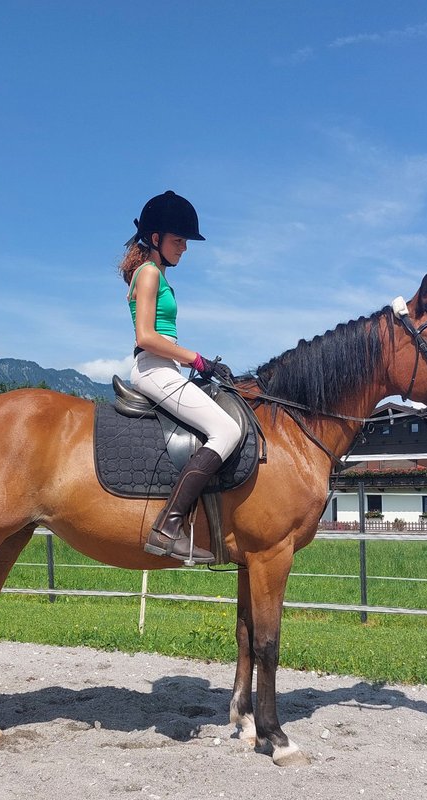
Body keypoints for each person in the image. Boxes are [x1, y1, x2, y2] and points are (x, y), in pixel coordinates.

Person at [120, 190, 241, 564]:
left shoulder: (155, 273)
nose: (184, 248)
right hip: (153, 369)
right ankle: (168, 527)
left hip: (164, 368)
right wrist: (197, 359)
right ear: (155, 239)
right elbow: (145, 336)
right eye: (178, 240)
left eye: (186, 241)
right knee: (227, 431)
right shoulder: (150, 273)